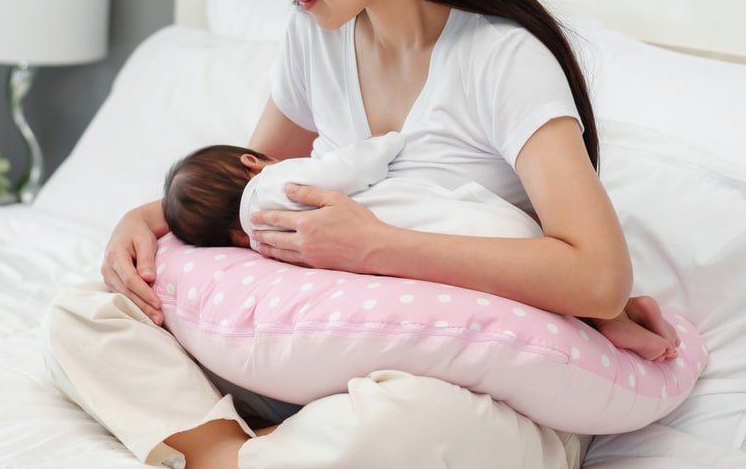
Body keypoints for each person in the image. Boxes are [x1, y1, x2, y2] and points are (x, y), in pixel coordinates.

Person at [44, 0, 679, 469]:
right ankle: (254, 467)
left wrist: (375, 245)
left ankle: (291, 447)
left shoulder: (502, 59)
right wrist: (145, 218)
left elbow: (598, 275)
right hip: (316, 358)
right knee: (85, 314)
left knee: (403, 425)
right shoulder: (316, 34)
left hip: (459, 386)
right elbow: (254, 185)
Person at [162, 138, 679, 361]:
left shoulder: (258, 238)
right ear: (254, 162)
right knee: (537, 285)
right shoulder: (276, 184)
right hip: (483, 230)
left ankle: (615, 319)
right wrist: (386, 144)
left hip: (471, 246)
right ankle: (620, 318)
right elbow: (345, 169)